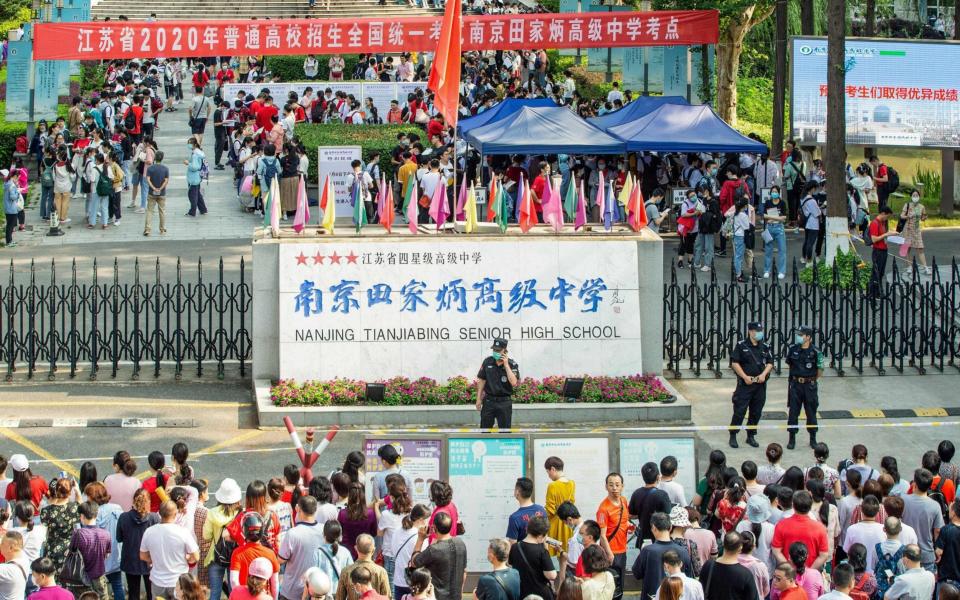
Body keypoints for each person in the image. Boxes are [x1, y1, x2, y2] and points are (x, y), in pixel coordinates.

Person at [139, 501, 201, 600]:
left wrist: (154, 559)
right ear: (175, 514)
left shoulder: (149, 531)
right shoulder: (183, 532)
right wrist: (188, 559)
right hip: (179, 582)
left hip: (158, 581)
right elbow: (196, 556)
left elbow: (143, 556)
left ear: (159, 513)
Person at [728, 322, 774, 449]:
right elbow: (734, 363)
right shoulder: (741, 345)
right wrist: (744, 376)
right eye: (756, 331)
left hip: (760, 385)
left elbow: (770, 362)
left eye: (760, 330)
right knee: (739, 411)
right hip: (745, 385)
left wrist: (764, 374)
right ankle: (733, 435)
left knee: (756, 412)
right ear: (750, 331)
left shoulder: (765, 346)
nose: (758, 333)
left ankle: (750, 435)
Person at [633, 512, 692, 600]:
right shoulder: (683, 551)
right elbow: (688, 577)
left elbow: (637, 573)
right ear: (670, 527)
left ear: (653, 528)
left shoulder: (647, 551)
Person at [279, 496, 327, 600]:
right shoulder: (324, 530)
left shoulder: (293, 533)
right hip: (316, 589)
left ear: (299, 509)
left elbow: (281, 560)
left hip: (292, 591)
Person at [410, 512, 467, 600]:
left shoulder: (434, 549)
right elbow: (464, 571)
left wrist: (420, 539)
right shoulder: (461, 543)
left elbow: (414, 562)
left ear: (434, 527)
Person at [784, 325, 823, 450]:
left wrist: (811, 380)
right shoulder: (793, 349)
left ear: (808, 337)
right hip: (796, 385)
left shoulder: (816, 351)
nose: (799, 337)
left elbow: (820, 369)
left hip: (810, 386)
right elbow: (790, 365)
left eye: (801, 335)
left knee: (811, 412)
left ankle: (813, 438)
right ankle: (792, 439)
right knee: (793, 412)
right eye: (798, 334)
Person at [117, 489, 159, 600]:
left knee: (133, 593)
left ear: (134, 501)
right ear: (148, 501)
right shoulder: (154, 518)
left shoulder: (123, 517)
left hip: (130, 559)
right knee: (152, 593)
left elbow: (119, 538)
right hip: (150, 560)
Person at [771, 491, 830, 570]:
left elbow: (776, 551)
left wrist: (789, 569)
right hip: (810, 574)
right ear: (810, 505)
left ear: (793, 505)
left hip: (788, 575)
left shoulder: (781, 525)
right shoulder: (820, 528)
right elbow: (824, 555)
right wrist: (809, 572)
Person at [66, 500, 113, 599]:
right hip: (99, 576)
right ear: (96, 514)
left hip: (81, 577)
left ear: (82, 516)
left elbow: (70, 552)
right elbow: (107, 555)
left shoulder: (78, 534)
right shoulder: (106, 534)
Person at [901, 468, 945, 571]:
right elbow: (937, 531)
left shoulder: (903, 499)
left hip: (906, 551)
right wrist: (937, 549)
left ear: (914, 484)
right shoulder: (935, 506)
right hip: (926, 554)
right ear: (929, 486)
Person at [506, 515, 556, 600]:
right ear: (540, 536)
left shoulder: (515, 547)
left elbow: (510, 564)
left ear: (527, 529)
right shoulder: (542, 551)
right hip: (540, 594)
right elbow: (552, 575)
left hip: (521, 593)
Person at [697, 532, 758, 600]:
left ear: (724, 544)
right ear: (740, 548)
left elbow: (700, 591)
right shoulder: (746, 574)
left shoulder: (708, 565)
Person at [476, 337, 520, 429]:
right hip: (489, 402)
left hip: (504, 403)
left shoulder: (512, 364)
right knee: (485, 431)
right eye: (494, 350)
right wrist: (478, 399)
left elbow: (514, 383)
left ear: (505, 351)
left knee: (505, 432)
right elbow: (481, 380)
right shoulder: (487, 362)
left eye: (498, 350)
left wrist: (506, 365)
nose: (496, 352)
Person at [597, 472, 630, 585]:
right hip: (610, 552)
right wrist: (609, 553)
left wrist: (628, 526)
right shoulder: (603, 508)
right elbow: (602, 535)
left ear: (622, 486)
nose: (614, 488)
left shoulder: (624, 501)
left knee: (620, 583)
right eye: (611, 485)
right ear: (606, 486)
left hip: (623, 549)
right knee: (611, 585)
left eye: (617, 484)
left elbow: (624, 520)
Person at [335, 534, 390, 600]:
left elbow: (339, 598)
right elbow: (387, 596)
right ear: (373, 550)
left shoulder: (346, 571)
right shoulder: (381, 572)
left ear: (356, 548)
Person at [629, 462, 672, 545]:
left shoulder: (636, 493)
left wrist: (642, 514)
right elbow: (668, 514)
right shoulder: (662, 494)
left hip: (643, 538)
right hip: (659, 538)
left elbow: (630, 515)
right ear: (658, 477)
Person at [543, 458, 576, 557]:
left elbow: (550, 509)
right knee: (565, 551)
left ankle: (556, 573)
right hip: (568, 523)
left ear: (553, 469)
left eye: (548, 472)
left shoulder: (552, 485)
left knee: (554, 553)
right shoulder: (572, 483)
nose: (548, 475)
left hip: (555, 524)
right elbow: (572, 503)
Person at [900, 190, 932, 274]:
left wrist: (924, 218)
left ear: (919, 196)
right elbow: (901, 216)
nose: (915, 197)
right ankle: (909, 266)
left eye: (917, 195)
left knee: (920, 248)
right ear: (911, 196)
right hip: (907, 229)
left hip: (917, 230)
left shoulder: (922, 206)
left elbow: (923, 217)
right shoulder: (907, 205)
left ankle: (925, 267)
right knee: (906, 248)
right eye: (913, 195)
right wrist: (907, 216)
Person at [506, 478, 547, 543]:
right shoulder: (542, 510)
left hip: (523, 553)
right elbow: (545, 539)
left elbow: (513, 546)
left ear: (517, 492)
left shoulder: (514, 518)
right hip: (540, 552)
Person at [867, 206, 894, 298]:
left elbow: (882, 236)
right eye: (887, 216)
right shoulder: (875, 223)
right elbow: (874, 239)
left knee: (881, 272)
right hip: (878, 251)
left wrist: (889, 235)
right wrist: (886, 234)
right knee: (876, 272)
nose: (887, 218)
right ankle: (873, 292)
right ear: (883, 213)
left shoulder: (882, 223)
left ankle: (878, 292)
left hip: (883, 250)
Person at [762, 185, 788, 279]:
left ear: (778, 193)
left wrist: (772, 218)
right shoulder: (768, 202)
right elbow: (764, 215)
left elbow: (784, 217)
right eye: (772, 191)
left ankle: (782, 271)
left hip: (779, 228)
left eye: (776, 192)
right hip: (769, 228)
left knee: (782, 250)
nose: (774, 193)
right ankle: (766, 270)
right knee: (768, 249)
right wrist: (777, 218)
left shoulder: (782, 203)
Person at [144, 150, 169, 236]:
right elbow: (166, 180)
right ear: (162, 158)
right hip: (162, 193)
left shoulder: (150, 168)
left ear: (155, 157)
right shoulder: (165, 169)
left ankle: (147, 229)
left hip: (151, 193)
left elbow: (148, 179)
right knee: (162, 211)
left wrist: (154, 188)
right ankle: (162, 229)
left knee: (150, 211)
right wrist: (160, 188)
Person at [0, 531, 30, 599]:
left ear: (10, 548)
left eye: (2, 543)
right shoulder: (24, 557)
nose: (0, 545)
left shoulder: (7, 570)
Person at [184, 137, 208, 217]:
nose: (188, 145)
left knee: (192, 194)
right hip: (198, 176)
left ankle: (192, 211)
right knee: (197, 193)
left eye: (190, 143)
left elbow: (194, 167)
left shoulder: (195, 154)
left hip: (193, 177)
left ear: (194, 144)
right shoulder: (199, 152)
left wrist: (188, 163)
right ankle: (203, 209)